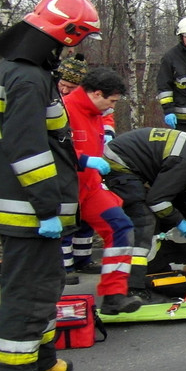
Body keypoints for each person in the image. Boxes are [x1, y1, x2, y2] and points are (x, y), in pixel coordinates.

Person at [0, 0, 101, 371]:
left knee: (45, 286)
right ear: (66, 32)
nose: (78, 45)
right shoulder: (28, 78)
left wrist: (83, 159)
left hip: (32, 208)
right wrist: (49, 208)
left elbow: (53, 138)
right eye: (79, 36)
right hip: (30, 211)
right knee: (28, 295)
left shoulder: (28, 70)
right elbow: (28, 152)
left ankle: (41, 359)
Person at [101, 128, 186, 296]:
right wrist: (179, 222)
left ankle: (131, 279)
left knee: (146, 221)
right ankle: (133, 286)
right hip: (120, 164)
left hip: (125, 161)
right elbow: (157, 200)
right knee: (144, 221)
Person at [60, 65, 143, 314]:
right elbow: (47, 149)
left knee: (121, 227)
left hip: (90, 188)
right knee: (47, 247)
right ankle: (41, 306)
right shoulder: (61, 110)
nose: (112, 107)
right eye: (111, 101)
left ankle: (114, 295)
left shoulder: (97, 113)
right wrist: (83, 160)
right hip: (62, 190)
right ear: (96, 93)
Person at [53, 55, 102, 283]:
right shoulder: (54, 100)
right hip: (68, 169)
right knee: (66, 220)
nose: (65, 88)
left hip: (89, 169)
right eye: (63, 84)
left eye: (71, 87)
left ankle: (83, 259)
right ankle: (64, 267)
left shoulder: (89, 99)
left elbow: (105, 117)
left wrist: (109, 134)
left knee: (85, 220)